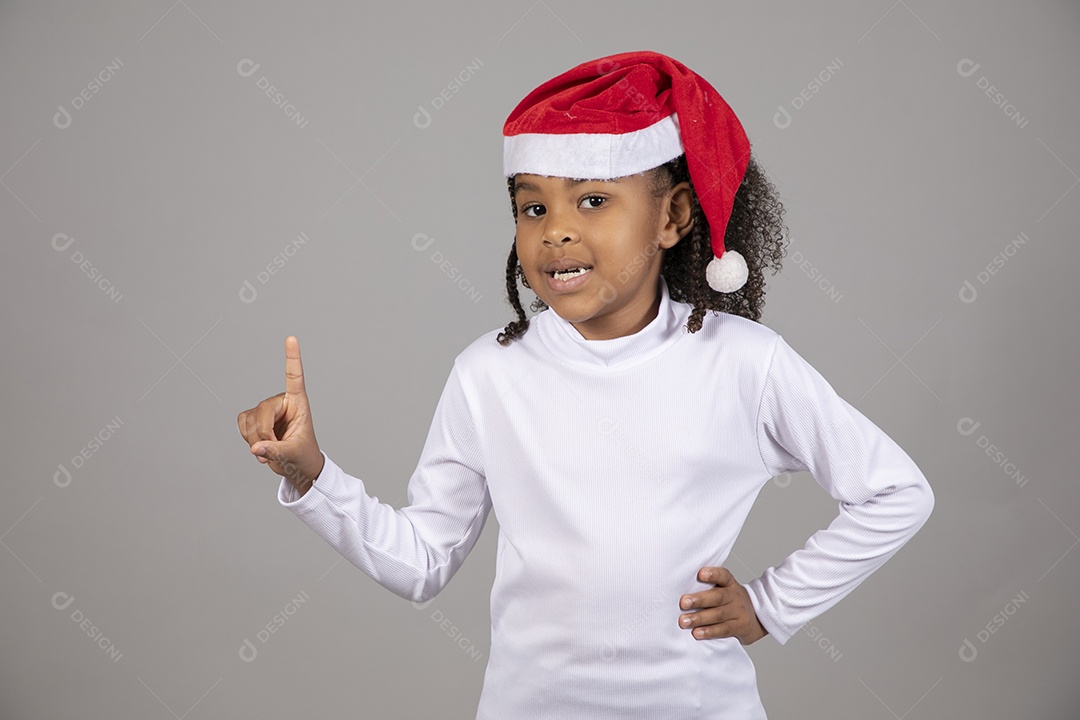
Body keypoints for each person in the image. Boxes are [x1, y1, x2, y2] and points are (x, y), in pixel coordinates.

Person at [237, 50, 935, 719]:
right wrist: (310, 475)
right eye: (533, 208)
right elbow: (422, 563)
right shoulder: (489, 374)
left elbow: (896, 493)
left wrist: (772, 604)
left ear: (673, 218)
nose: (556, 233)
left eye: (593, 200)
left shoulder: (745, 363)